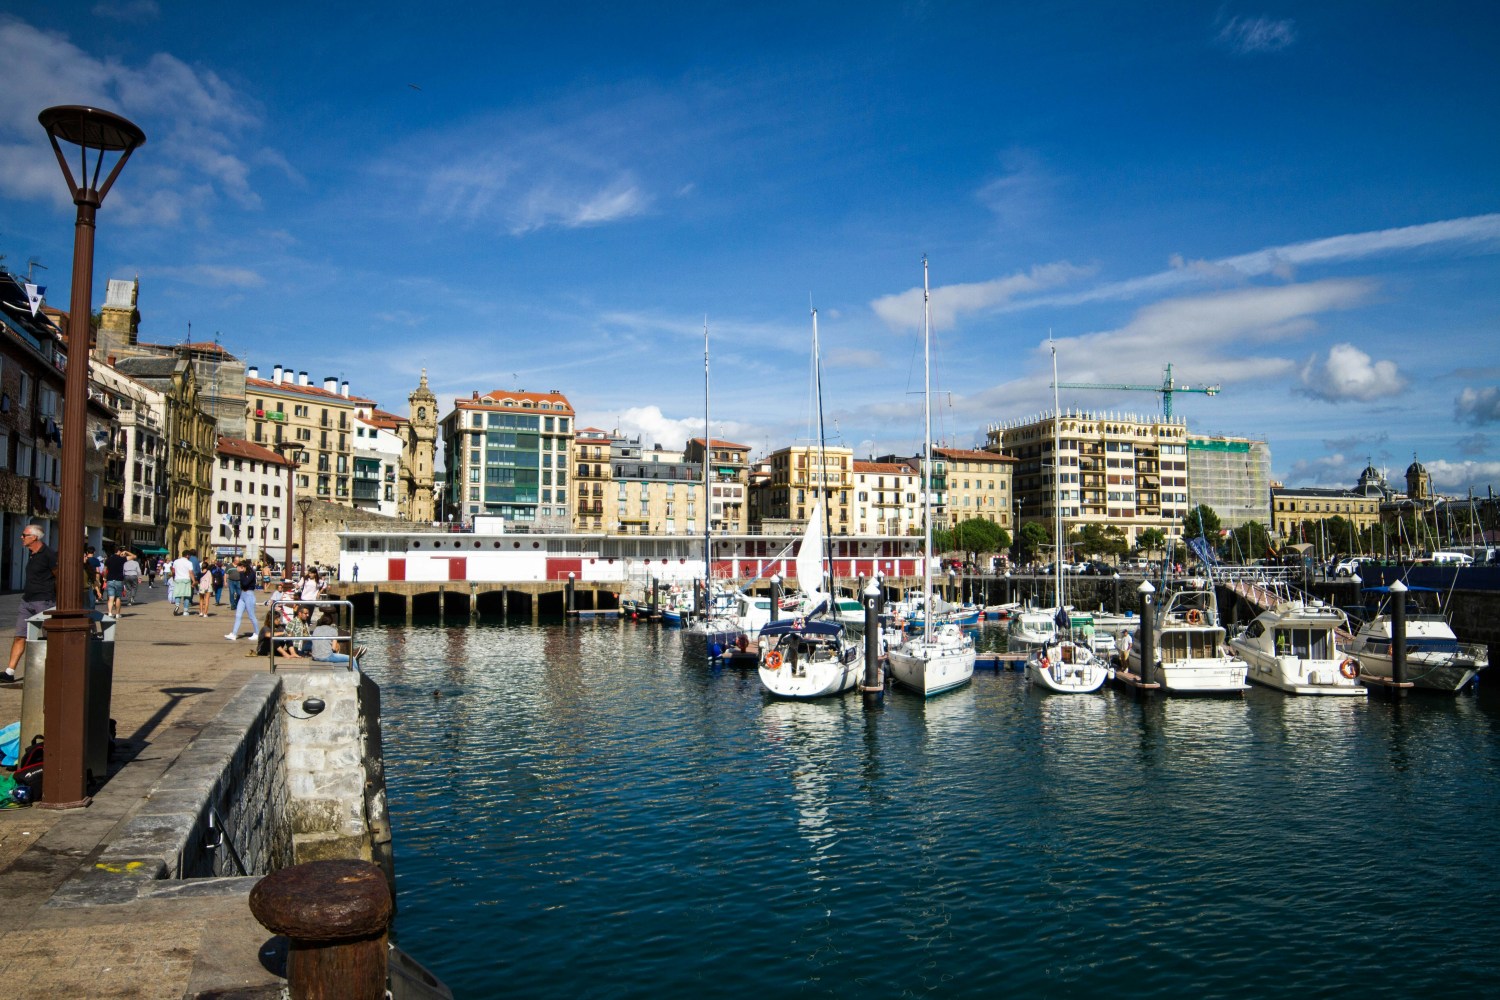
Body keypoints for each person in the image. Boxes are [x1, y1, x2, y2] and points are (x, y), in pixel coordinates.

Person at [4, 526, 56, 684]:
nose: (21, 537)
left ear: (34, 537)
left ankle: (52, 669)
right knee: (19, 635)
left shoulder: (49, 555)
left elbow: (58, 575)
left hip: (44, 600)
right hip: (27, 600)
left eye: (24, 535)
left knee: (49, 636)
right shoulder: (31, 554)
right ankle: (9, 672)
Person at [226, 559, 259, 640]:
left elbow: (245, 583)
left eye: (239, 568)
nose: (237, 569)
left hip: (249, 595)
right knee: (238, 615)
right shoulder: (243, 573)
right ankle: (234, 633)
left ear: (243, 567)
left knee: (251, 616)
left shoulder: (251, 573)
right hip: (243, 595)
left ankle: (257, 633)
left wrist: (241, 573)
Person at [104, 543, 127, 618]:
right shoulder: (122, 559)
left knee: (111, 597)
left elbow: (105, 569)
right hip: (119, 580)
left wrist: (105, 577)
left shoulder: (109, 559)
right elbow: (134, 556)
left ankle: (110, 613)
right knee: (118, 598)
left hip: (110, 579)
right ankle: (117, 614)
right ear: (119, 551)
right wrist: (126, 552)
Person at [170, 551, 194, 615]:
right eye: (189, 556)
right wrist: (194, 581)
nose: (190, 557)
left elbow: (173, 571)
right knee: (186, 596)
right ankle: (185, 611)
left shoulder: (176, 561)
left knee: (178, 594)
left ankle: (177, 605)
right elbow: (191, 573)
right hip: (186, 580)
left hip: (178, 579)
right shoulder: (189, 563)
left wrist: (173, 577)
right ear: (187, 555)